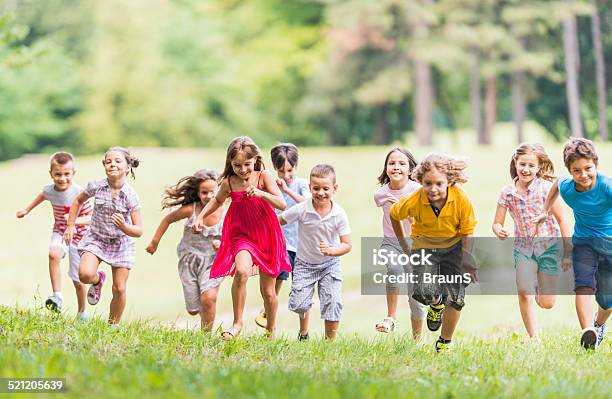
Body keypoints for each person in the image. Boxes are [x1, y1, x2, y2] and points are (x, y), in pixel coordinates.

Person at [193, 136, 291, 340]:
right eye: (237, 165)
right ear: (230, 163)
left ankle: (271, 331)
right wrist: (201, 216)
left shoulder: (263, 176)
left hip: (266, 235)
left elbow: (282, 204)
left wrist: (261, 194)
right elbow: (217, 200)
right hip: (241, 235)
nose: (243, 169)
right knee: (241, 270)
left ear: (255, 159)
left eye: (247, 164)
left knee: (269, 292)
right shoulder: (229, 182)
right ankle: (237, 324)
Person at [390, 154, 477, 352]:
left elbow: (468, 232)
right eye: (428, 183)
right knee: (423, 292)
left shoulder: (461, 198)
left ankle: (444, 342)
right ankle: (436, 304)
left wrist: (466, 261)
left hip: (454, 248)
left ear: (449, 182)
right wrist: (404, 245)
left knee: (455, 298)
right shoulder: (414, 200)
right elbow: (394, 214)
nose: (433, 189)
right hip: (424, 247)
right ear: (420, 181)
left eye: (439, 183)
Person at [535, 138, 611, 350]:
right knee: (583, 287)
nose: (583, 175)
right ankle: (587, 331)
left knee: (607, 300)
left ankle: (598, 324)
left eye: (588, 168)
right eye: (576, 170)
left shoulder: (606, 187)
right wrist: (544, 210)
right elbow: (557, 185)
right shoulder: (568, 186)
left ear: (596, 164)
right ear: (570, 170)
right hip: (584, 243)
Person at [493, 143, 570, 339]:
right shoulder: (507, 193)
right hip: (523, 249)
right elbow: (497, 222)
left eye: (531, 166)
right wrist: (499, 230)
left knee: (547, 303)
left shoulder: (546, 189)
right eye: (522, 164)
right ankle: (534, 337)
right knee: (523, 293)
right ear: (515, 163)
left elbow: (562, 220)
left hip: (549, 248)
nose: (526, 169)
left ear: (538, 168)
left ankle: (539, 287)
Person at [64, 147, 143, 324]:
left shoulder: (130, 196)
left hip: (122, 243)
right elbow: (77, 201)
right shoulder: (96, 186)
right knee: (84, 275)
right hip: (96, 239)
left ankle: (112, 326)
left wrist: (123, 226)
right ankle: (98, 280)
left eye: (117, 161)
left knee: (119, 289)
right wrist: (70, 225)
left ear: (128, 167)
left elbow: (138, 230)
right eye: (108, 161)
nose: (112, 164)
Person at [279, 164, 352, 340]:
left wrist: (332, 251)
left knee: (332, 301)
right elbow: (279, 220)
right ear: (310, 186)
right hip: (304, 264)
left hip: (330, 264)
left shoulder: (339, 214)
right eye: (316, 188)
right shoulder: (303, 208)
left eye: (326, 189)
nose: (321, 193)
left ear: (335, 188)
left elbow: (347, 244)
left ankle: (329, 342)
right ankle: (303, 333)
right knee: (299, 304)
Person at [16, 152, 92, 318]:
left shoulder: (80, 193)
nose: (62, 178)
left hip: (79, 238)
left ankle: (82, 312)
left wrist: (73, 221)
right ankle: (57, 296)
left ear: (74, 173)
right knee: (53, 254)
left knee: (78, 279)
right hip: (59, 232)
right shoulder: (49, 190)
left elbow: (91, 218)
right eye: (58, 174)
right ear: (51, 174)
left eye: (67, 174)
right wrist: (26, 210)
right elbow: (43, 195)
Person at [146, 169, 224, 331]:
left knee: (209, 298)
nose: (209, 196)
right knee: (193, 309)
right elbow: (168, 219)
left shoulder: (226, 212)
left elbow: (236, 236)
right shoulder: (192, 209)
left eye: (213, 192)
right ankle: (204, 318)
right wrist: (154, 242)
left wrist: (223, 245)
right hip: (189, 261)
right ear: (197, 192)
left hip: (214, 261)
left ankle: (206, 337)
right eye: (204, 192)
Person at [255, 143, 310, 329]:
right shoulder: (271, 185)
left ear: (296, 166)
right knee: (279, 275)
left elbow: (308, 204)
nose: (286, 176)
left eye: (290, 170)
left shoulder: (301, 184)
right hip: (279, 242)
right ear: (274, 167)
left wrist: (287, 190)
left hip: (300, 244)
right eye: (281, 171)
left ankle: (303, 331)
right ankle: (267, 310)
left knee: (301, 288)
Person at [373, 147, 426, 339]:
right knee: (394, 270)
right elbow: (379, 203)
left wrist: (403, 209)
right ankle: (391, 316)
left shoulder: (417, 191)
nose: (396, 167)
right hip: (391, 244)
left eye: (402, 163)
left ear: (411, 170)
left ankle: (416, 340)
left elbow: (421, 221)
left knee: (416, 300)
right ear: (386, 168)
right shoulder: (380, 194)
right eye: (392, 163)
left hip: (415, 246)